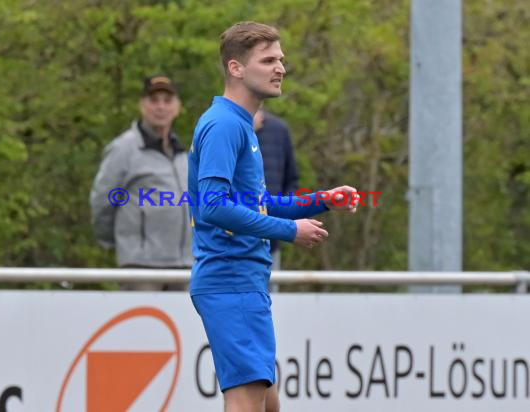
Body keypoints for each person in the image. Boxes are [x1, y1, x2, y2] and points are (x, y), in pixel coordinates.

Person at [188, 21, 359, 411]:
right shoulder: (224, 125)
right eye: (268, 60)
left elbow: (256, 203)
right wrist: (289, 231)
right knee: (247, 403)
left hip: (242, 281)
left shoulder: (240, 125)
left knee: (268, 405)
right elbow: (213, 207)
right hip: (231, 279)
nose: (280, 67)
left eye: (280, 59)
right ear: (236, 68)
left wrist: (323, 200)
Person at [90, 75, 192, 290]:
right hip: (141, 266)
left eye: (167, 100)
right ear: (142, 105)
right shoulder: (123, 149)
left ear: (177, 107)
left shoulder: (184, 154)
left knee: (187, 324)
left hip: (185, 265)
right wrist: (122, 243)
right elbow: (102, 201)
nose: (161, 107)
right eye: (154, 100)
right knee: (142, 324)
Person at [254, 109, 299, 270]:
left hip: (272, 241)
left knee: (272, 293)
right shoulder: (221, 127)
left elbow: (291, 181)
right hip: (232, 245)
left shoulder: (279, 129)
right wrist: (245, 130)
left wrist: (283, 218)